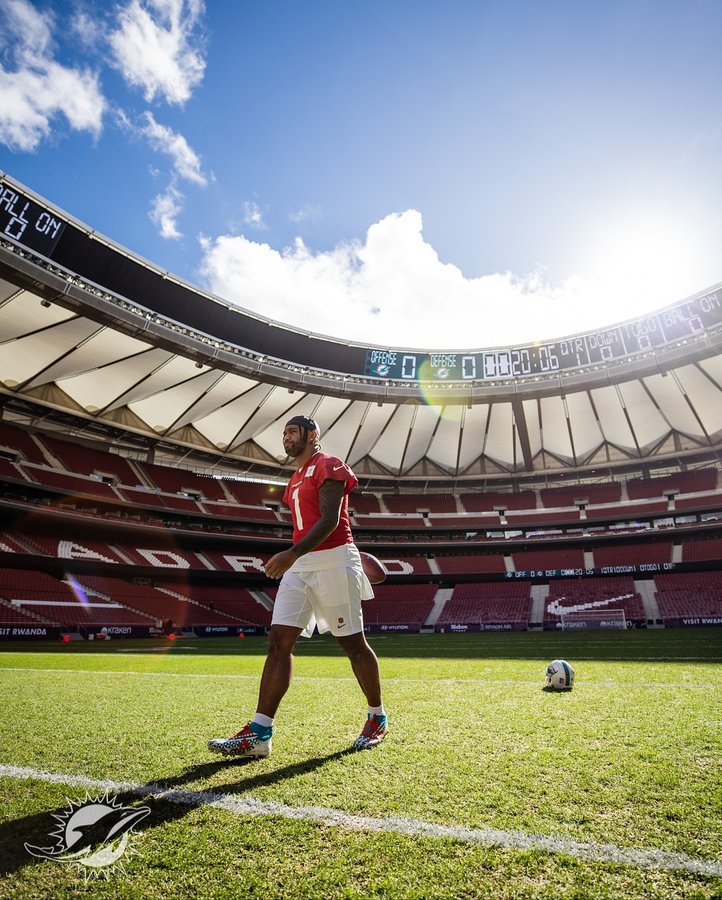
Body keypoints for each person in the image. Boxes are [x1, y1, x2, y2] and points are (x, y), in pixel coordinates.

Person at [208, 415, 388, 757]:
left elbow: (330, 520)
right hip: (302, 564)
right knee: (279, 641)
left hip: (332, 559)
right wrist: (296, 556)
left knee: (352, 643)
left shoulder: (330, 465)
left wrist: (291, 553)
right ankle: (260, 732)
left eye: (292, 432)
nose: (286, 438)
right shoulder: (293, 479)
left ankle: (377, 717)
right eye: (284, 433)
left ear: (312, 435)